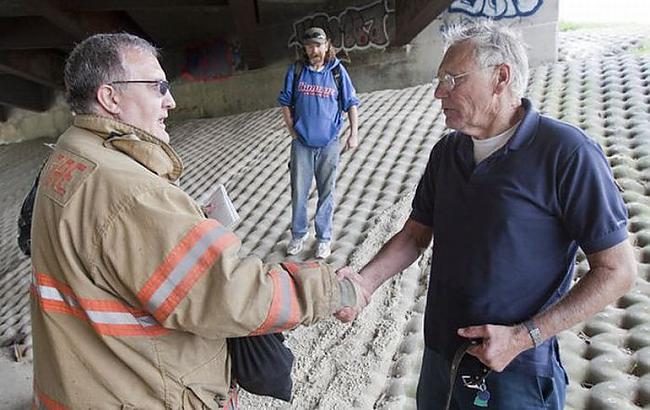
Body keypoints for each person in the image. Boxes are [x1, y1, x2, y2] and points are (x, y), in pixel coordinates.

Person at [29, 33, 362, 409]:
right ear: (111, 98)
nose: (170, 100)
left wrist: (180, 226)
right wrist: (333, 290)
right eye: (158, 87)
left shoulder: (70, 156)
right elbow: (233, 295)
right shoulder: (131, 193)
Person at [336, 20, 636, 409]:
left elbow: (617, 271)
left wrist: (523, 337)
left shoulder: (566, 153)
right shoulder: (447, 153)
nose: (437, 93)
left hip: (517, 371)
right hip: (441, 359)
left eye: (451, 79)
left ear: (501, 77)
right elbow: (414, 235)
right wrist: (364, 282)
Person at [278, 27, 360, 259]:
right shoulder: (296, 70)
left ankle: (323, 239)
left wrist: (354, 133)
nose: (314, 50)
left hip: (329, 144)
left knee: (327, 192)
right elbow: (285, 100)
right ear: (305, 48)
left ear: (326, 46)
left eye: (318, 45)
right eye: (310, 46)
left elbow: (351, 102)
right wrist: (291, 129)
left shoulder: (337, 72)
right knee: (299, 192)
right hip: (302, 144)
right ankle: (298, 234)